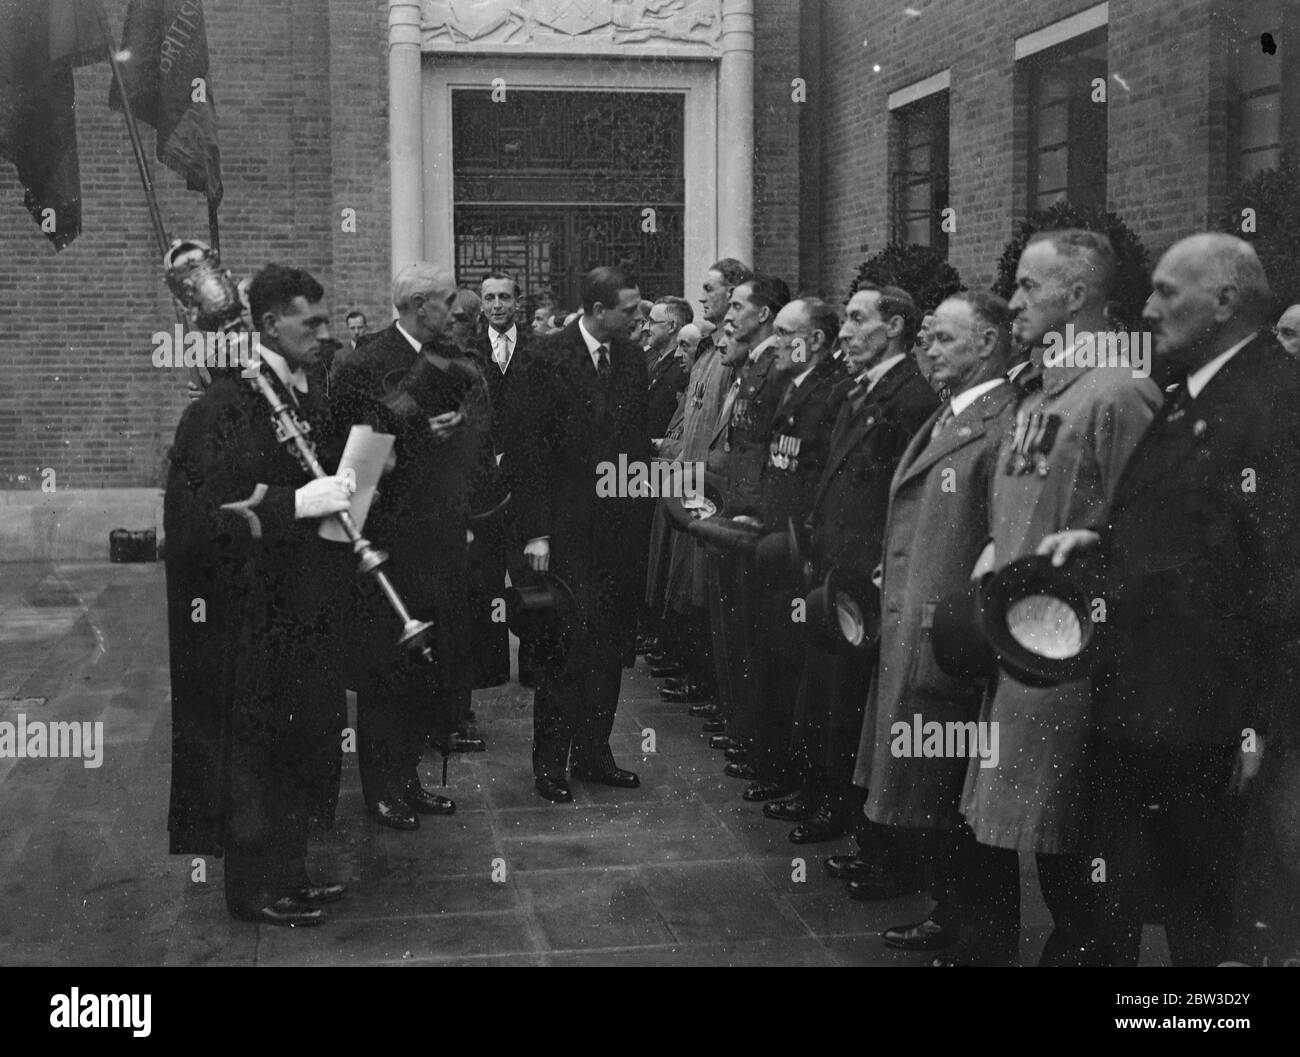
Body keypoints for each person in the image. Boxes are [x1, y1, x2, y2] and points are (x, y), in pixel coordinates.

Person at [1040, 233, 1300, 966]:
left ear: (1224, 300)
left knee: (1211, 925)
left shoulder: (1276, 402)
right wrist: (1101, 540)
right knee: (1147, 897)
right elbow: (1183, 523)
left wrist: (1258, 724)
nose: (1147, 309)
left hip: (1212, 717)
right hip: (1153, 701)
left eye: (1166, 292)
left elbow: (1280, 579)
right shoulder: (1198, 388)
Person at [959, 229, 1161, 967]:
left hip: (1075, 662)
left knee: (1079, 850)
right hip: (1023, 648)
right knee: (1042, 840)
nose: (1013, 300)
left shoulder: (1118, 392)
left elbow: (1143, 532)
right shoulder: (1041, 388)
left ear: (1077, 296)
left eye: (1029, 287)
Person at [165, 263, 354, 926]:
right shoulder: (227, 403)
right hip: (247, 614)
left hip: (298, 603)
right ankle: (252, 888)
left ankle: (291, 871)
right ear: (271, 322)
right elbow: (203, 513)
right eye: (312, 321)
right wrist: (294, 502)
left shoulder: (298, 391)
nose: (324, 333)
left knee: (299, 739)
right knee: (254, 747)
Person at [855, 292, 1018, 951]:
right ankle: (953, 915)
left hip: (954, 639)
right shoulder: (952, 412)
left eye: (944, 339)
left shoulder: (1001, 417)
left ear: (986, 343)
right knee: (931, 790)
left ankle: (980, 932)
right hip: (919, 627)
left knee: (957, 793)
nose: (928, 349)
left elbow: (999, 530)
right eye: (925, 338)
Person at [326, 262, 492, 830]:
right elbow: (353, 460)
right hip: (388, 541)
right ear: (421, 305)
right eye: (446, 303)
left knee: (426, 663)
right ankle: (383, 788)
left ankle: (410, 778)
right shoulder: (363, 364)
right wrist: (423, 436)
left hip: (439, 532)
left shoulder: (449, 361)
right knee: (386, 668)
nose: (455, 312)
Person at [781, 285, 940, 850]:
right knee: (826, 693)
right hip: (834, 567)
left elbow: (900, 496)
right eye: (844, 320)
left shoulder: (910, 399)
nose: (844, 332)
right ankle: (825, 799)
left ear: (894, 326)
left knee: (852, 704)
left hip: (865, 575)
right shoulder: (863, 389)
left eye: (856, 320)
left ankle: (851, 820)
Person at [506, 266, 653, 803]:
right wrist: (536, 533)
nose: (638, 318)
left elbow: (636, 444)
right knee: (562, 647)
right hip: (564, 536)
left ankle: (595, 753)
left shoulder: (632, 359)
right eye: (629, 309)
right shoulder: (545, 357)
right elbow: (527, 455)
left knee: (610, 647)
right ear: (596, 310)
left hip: (618, 533)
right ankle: (550, 764)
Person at [744, 297, 847, 822]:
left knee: (798, 670)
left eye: (790, 334)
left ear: (819, 340)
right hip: (778, 540)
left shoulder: (830, 392)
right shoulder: (794, 384)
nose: (780, 343)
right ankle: (777, 767)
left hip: (803, 552)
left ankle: (795, 776)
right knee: (776, 661)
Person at [706, 274, 792, 800]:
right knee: (741, 640)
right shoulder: (751, 365)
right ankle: (750, 738)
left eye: (738, 305)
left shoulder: (772, 368)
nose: (729, 314)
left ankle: (763, 747)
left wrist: (752, 509)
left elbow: (765, 451)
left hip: (757, 521)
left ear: (763, 313)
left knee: (760, 644)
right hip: (737, 512)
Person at [471, 271, 537, 687]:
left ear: (517, 303)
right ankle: (490, 668)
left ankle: (534, 665)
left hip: (526, 479)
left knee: (530, 575)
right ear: (481, 304)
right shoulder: (470, 351)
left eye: (504, 298)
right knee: (485, 576)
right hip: (482, 484)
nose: (497, 305)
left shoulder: (537, 349)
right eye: (490, 298)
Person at [645, 296, 693, 437]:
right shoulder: (648, 358)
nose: (646, 327)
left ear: (671, 326)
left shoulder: (684, 367)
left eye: (652, 322)